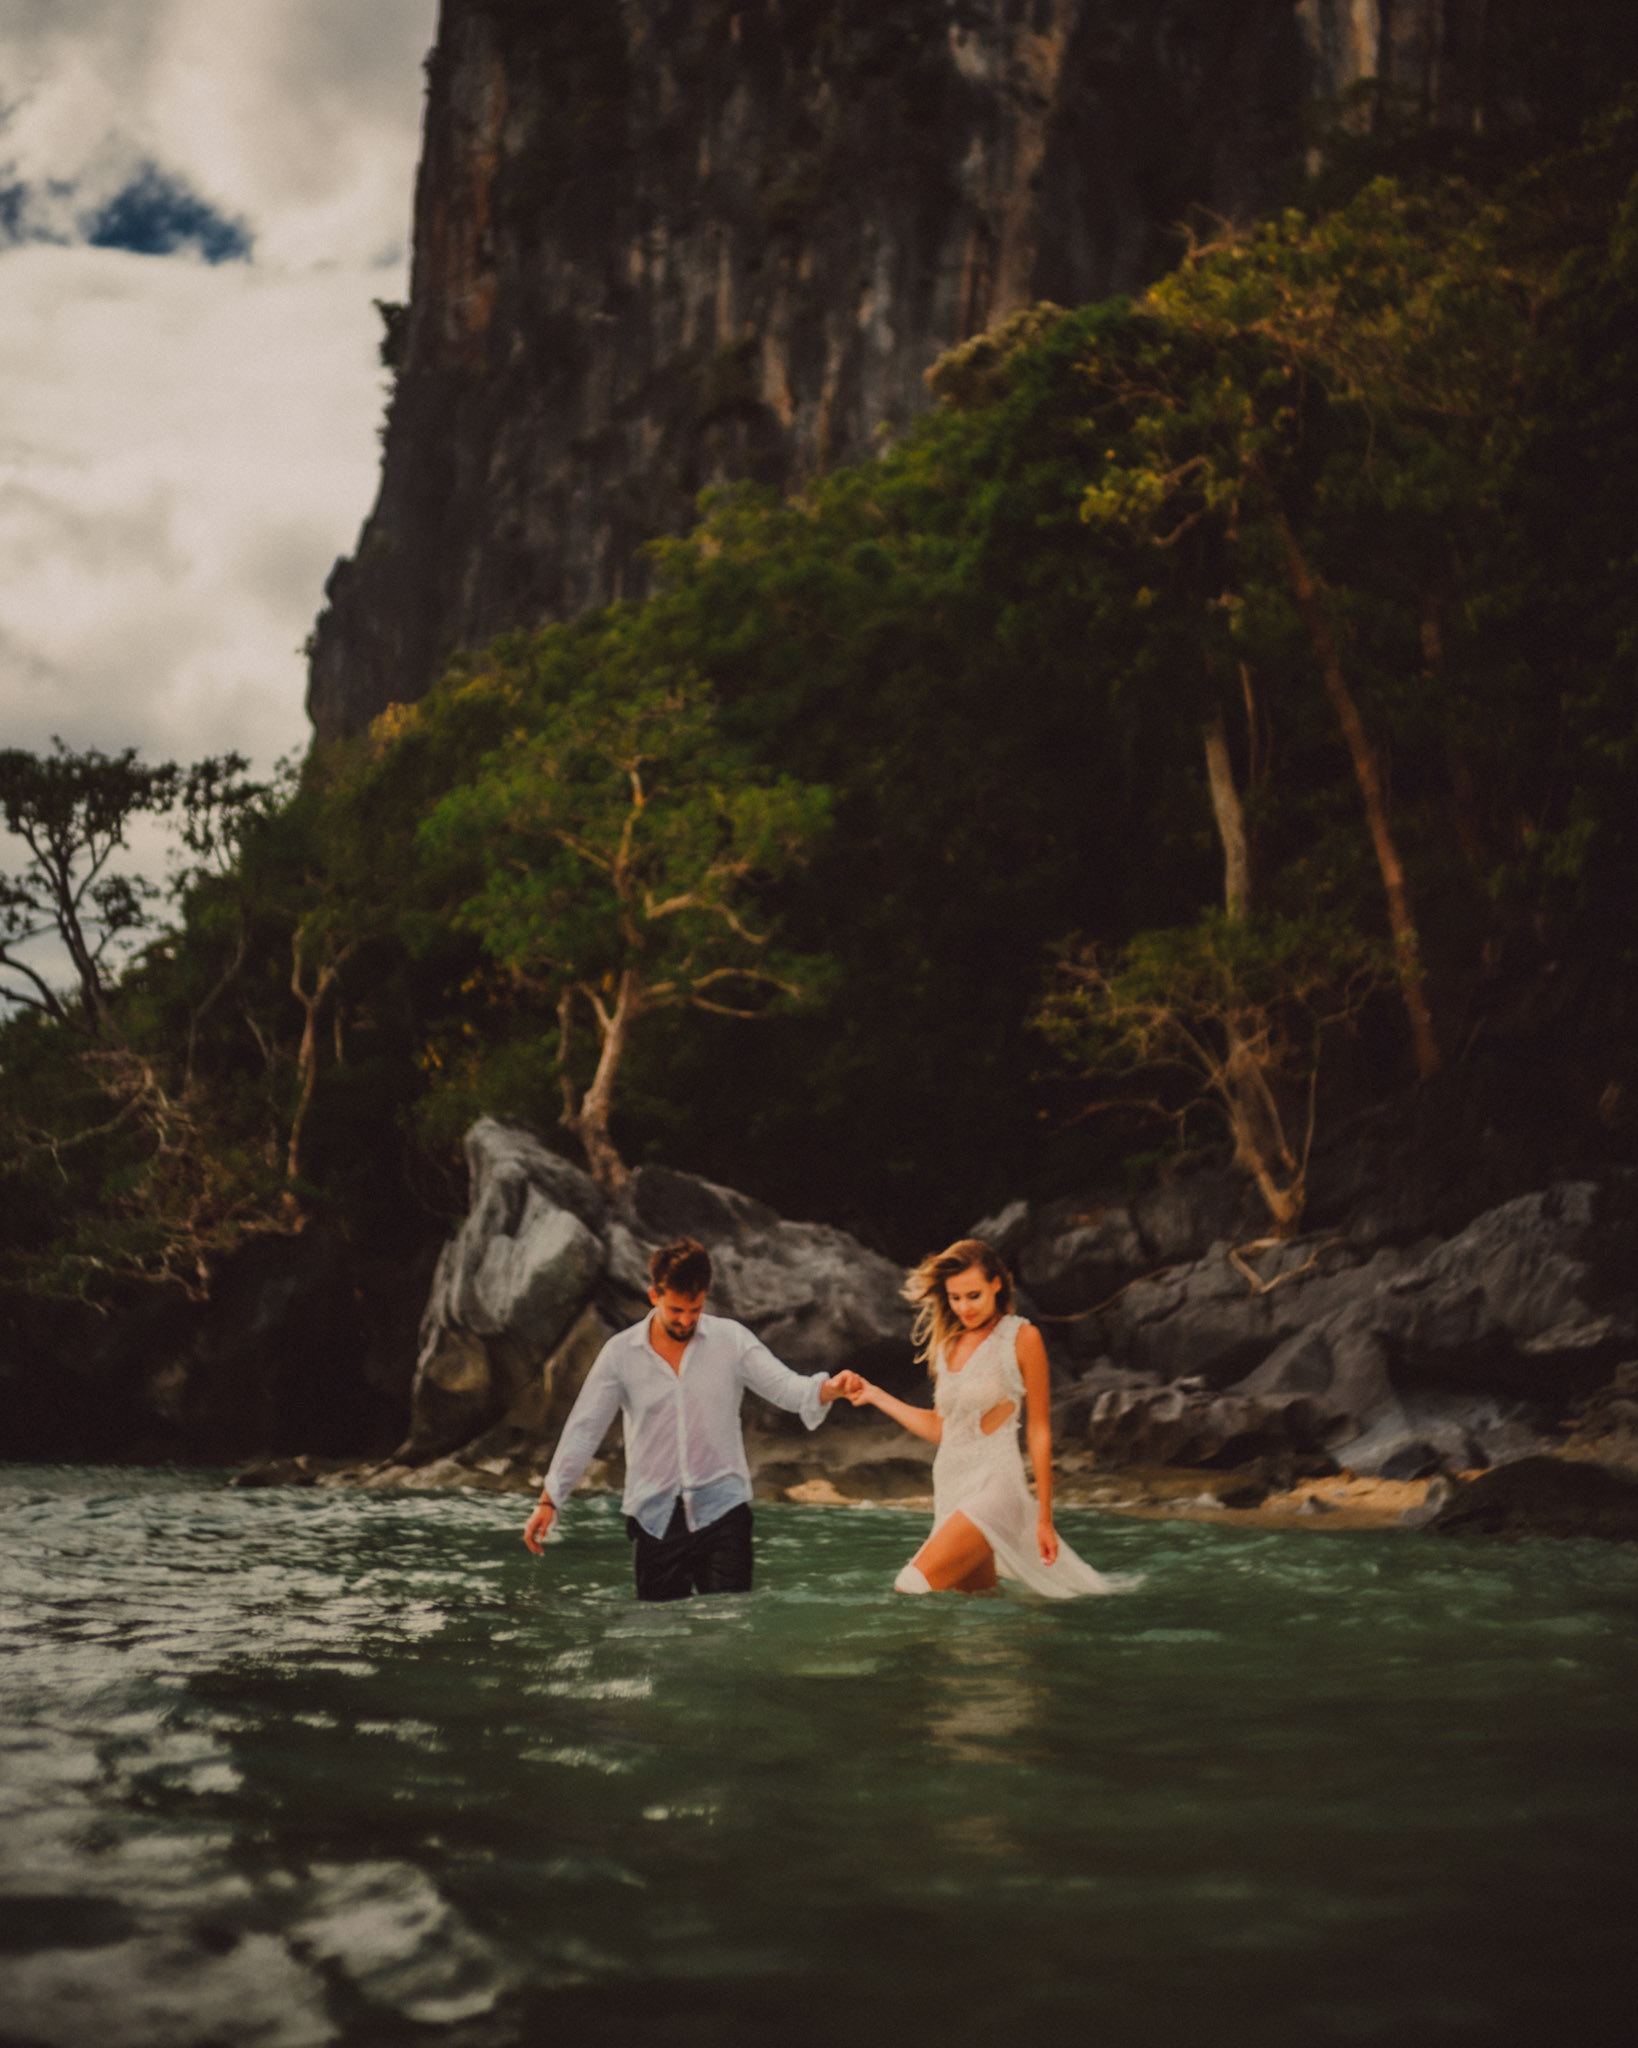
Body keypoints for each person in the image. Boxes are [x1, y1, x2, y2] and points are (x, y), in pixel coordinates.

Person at [523, 1236, 860, 1600]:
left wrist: (829, 1389)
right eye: (676, 1311)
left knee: (729, 1630)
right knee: (661, 1639)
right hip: (654, 1519)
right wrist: (550, 1499)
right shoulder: (620, 1354)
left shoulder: (731, 1340)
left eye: (695, 1310)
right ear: (655, 1296)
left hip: (723, 1513)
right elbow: (585, 1428)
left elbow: (787, 1389)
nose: (686, 1321)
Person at [847, 1236, 1128, 1597]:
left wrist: (1044, 1518)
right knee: (975, 1610)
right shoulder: (948, 1344)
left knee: (910, 1585)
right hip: (951, 1489)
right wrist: (874, 1395)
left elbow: (1039, 1431)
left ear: (997, 1283)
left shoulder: (1022, 1338)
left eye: (973, 1295)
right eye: (955, 1297)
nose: (964, 1307)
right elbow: (942, 1429)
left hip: (998, 1488)